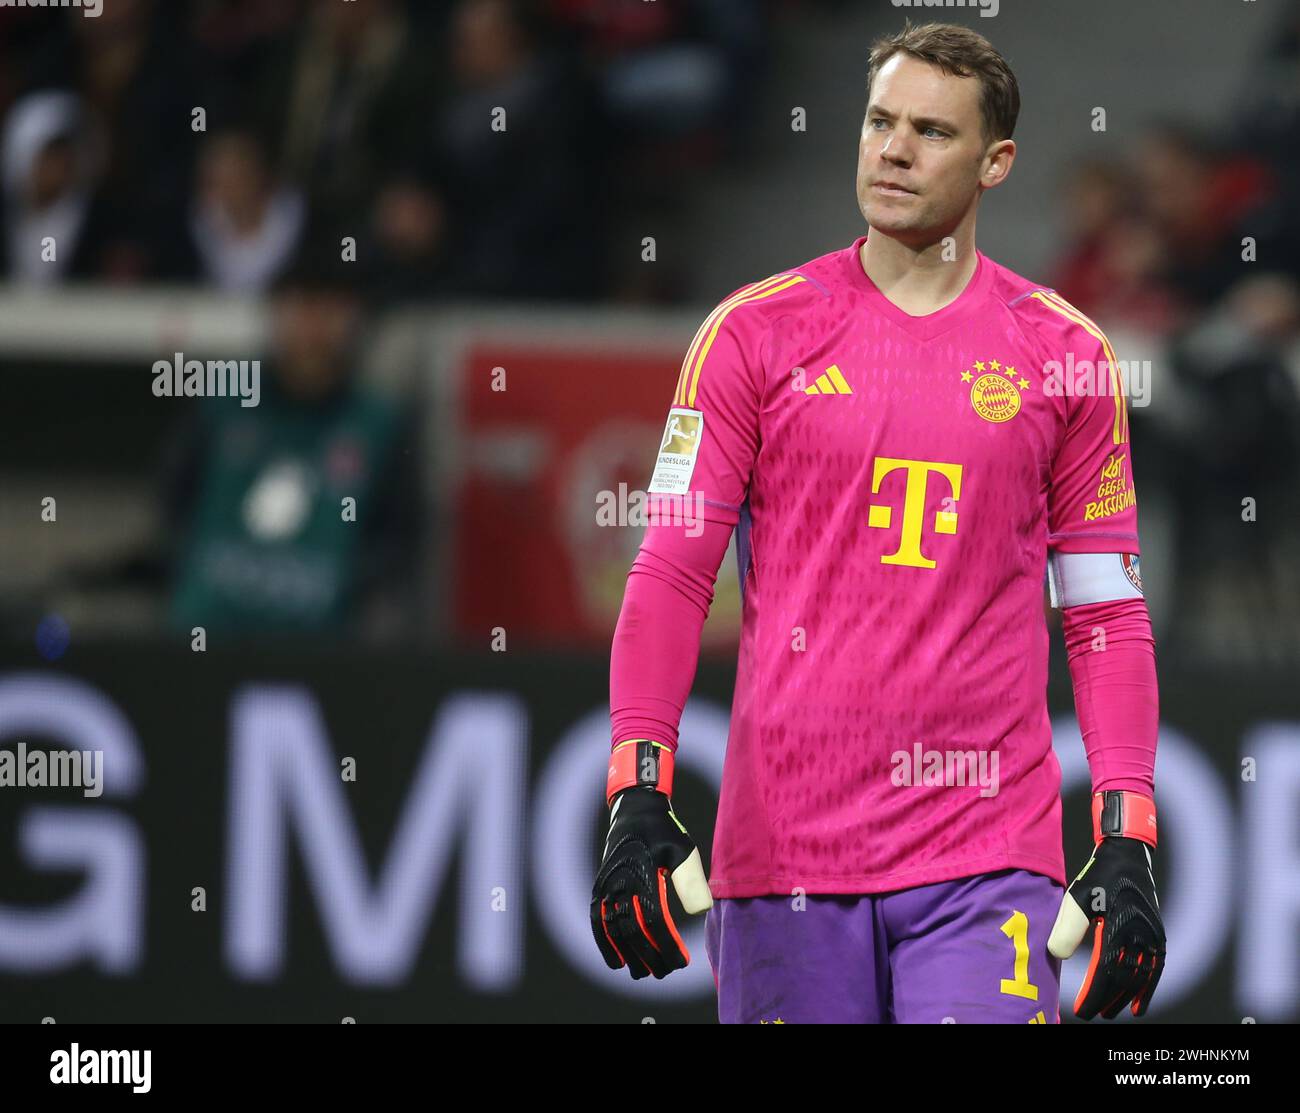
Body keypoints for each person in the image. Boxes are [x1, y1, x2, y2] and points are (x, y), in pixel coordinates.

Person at [591, 21, 1164, 1024]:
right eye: (879, 121)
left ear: (996, 163)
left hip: (986, 859)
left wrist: (1125, 836)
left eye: (931, 133)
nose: (893, 149)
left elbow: (1104, 614)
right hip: (784, 859)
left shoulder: (1065, 357)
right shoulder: (749, 336)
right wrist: (637, 786)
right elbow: (674, 571)